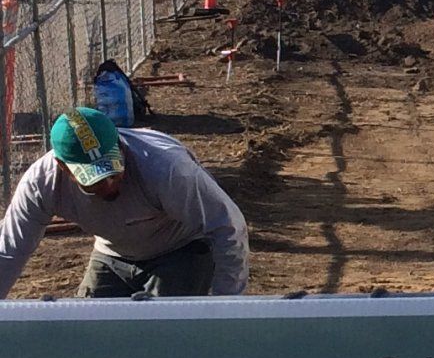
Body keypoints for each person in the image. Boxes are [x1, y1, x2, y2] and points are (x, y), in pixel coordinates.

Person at [0, 107, 249, 299]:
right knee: (87, 330)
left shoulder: (166, 168)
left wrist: (225, 304)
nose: (109, 185)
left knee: (165, 334)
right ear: (64, 167)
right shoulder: (42, 183)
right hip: (112, 253)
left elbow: (227, 225)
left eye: (113, 171)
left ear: (119, 144)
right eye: (95, 180)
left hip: (180, 248)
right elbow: (9, 251)